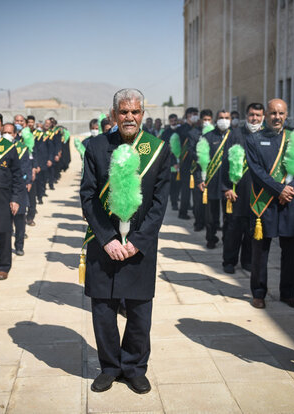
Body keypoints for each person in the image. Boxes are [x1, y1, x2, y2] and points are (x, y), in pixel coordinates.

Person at [81, 88, 170, 394]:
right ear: (113, 114)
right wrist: (107, 240)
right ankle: (109, 367)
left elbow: (160, 202)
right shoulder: (95, 146)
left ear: (142, 114)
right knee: (103, 311)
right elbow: (88, 197)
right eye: (123, 112)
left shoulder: (158, 148)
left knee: (139, 312)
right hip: (103, 243)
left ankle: (133, 367)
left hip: (139, 246)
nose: (129, 117)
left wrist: (138, 241)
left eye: (135, 112)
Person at [245, 98, 294, 309]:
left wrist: (290, 189)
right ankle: (259, 292)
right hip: (265, 202)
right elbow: (257, 172)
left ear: (286, 115)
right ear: (265, 115)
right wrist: (279, 189)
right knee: (260, 252)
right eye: (273, 113)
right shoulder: (254, 140)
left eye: (281, 113)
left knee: (290, 252)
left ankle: (288, 293)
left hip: (290, 202)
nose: (277, 117)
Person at [220, 103, 263, 273]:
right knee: (233, 229)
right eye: (252, 115)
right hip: (236, 191)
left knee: (252, 228)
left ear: (263, 117)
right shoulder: (235, 135)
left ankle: (247, 260)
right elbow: (225, 163)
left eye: (258, 115)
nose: (255, 118)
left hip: (257, 192)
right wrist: (226, 188)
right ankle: (229, 261)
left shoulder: (265, 135)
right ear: (247, 115)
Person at [0, 113, 25, 280]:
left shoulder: (9, 148)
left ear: (2, 127)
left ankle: (3, 266)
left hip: (4, 197)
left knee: (4, 234)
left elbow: (17, 175)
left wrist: (16, 199)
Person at [197, 110, 232, 249]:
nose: (224, 120)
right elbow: (200, 161)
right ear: (215, 120)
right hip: (211, 181)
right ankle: (211, 238)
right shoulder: (207, 137)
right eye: (221, 118)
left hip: (229, 183)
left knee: (228, 215)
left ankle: (227, 238)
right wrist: (200, 179)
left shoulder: (235, 136)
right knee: (211, 215)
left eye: (227, 118)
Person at [5, 120, 32, 256]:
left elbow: (27, 166)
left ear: (15, 134)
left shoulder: (22, 148)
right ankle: (6, 248)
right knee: (5, 223)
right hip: (4, 191)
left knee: (20, 220)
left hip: (19, 188)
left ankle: (19, 245)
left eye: (9, 133)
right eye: (4, 132)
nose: (7, 135)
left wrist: (28, 181)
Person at [176, 107, 199, 220]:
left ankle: (195, 211)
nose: (196, 116)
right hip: (185, 163)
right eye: (194, 114)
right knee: (186, 189)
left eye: (197, 114)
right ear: (188, 115)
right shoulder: (183, 129)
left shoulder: (196, 128)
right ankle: (183, 212)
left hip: (195, 163)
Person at [159, 114, 181, 210]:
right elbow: (165, 150)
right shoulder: (165, 133)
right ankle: (174, 203)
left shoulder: (181, 131)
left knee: (179, 186)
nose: (173, 122)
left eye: (175, 120)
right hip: (171, 164)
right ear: (169, 121)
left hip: (181, 162)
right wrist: (173, 163)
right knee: (173, 186)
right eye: (172, 121)